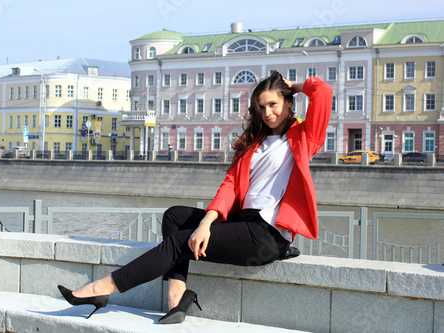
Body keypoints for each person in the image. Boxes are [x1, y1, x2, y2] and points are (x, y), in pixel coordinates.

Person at [58, 72, 332, 324]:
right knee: (175, 217)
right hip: (244, 224)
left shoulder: (304, 136)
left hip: (267, 236)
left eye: (273, 104)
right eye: (261, 107)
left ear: (287, 102)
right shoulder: (255, 143)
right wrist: (207, 222)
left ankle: (101, 289)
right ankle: (177, 299)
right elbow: (231, 184)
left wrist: (292, 86)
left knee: (180, 242)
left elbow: (323, 91)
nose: (267, 112)